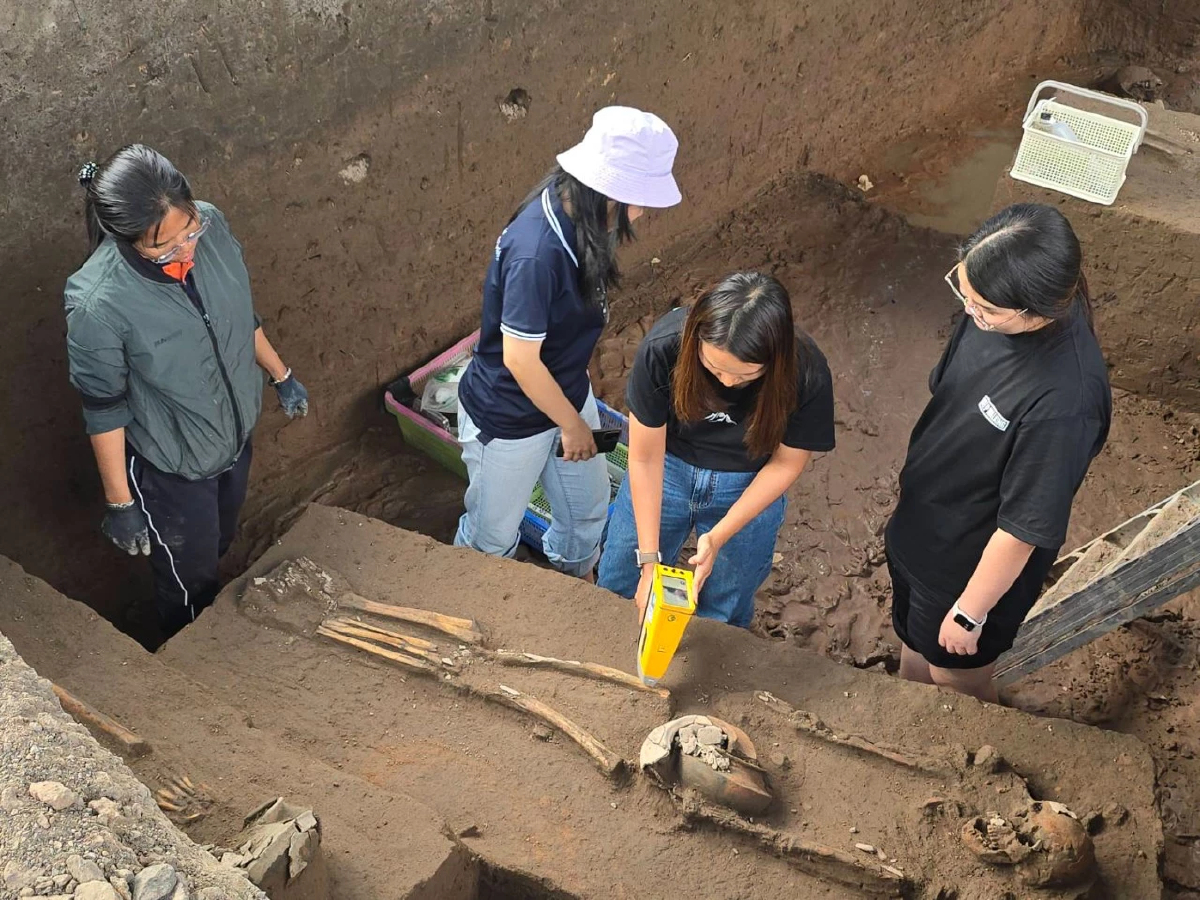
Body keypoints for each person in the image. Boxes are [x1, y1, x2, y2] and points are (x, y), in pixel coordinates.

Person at [65, 145, 309, 638]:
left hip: (232, 438)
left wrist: (281, 375)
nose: (187, 250)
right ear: (127, 238)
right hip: (171, 467)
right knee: (188, 577)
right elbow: (103, 407)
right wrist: (121, 503)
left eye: (190, 230)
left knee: (219, 537)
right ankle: (187, 645)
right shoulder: (97, 304)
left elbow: (238, 317)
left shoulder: (212, 228)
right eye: (164, 247)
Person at [885, 203, 1112, 703]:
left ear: (1035, 309)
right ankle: (906, 708)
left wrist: (970, 612)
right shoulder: (989, 310)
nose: (970, 312)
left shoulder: (1065, 402)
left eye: (984, 307)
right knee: (915, 641)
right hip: (922, 528)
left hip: (967, 566)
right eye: (964, 292)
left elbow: (1023, 528)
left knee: (955, 676)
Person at [454, 106, 681, 579]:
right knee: (491, 539)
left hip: (569, 397)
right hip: (510, 420)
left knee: (587, 513)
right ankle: (475, 590)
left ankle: (570, 590)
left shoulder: (583, 219)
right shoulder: (536, 252)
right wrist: (572, 426)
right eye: (638, 199)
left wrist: (575, 415)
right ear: (608, 190)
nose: (642, 212)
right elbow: (520, 359)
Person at [598, 272, 836, 627]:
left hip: (749, 479)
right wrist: (649, 562)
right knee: (622, 578)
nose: (726, 382)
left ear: (775, 360)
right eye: (713, 368)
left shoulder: (806, 371)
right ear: (696, 338)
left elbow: (786, 463)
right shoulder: (664, 346)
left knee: (726, 601)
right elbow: (645, 456)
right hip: (667, 465)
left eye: (744, 376)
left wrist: (719, 536)